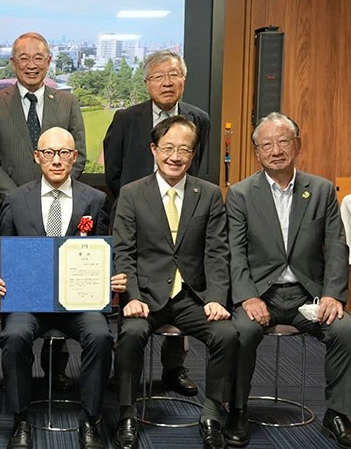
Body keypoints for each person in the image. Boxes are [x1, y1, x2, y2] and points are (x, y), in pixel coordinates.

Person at [0, 127, 126, 449]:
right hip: (28, 301)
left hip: (78, 302)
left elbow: (102, 251)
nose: (57, 160)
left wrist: (112, 275)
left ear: (75, 157)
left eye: (64, 153)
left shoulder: (95, 199)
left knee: (101, 336)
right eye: (48, 153)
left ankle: (91, 419)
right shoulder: (15, 199)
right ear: (37, 157)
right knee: (13, 336)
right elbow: (3, 251)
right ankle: (20, 418)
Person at [224, 112, 351, 448]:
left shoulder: (321, 190)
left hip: (308, 296)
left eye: (282, 141)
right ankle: (236, 409)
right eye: (266, 144)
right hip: (259, 294)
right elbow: (234, 252)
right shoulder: (240, 194)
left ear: (298, 144)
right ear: (257, 153)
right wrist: (248, 297)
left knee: (345, 330)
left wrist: (333, 295)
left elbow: (337, 246)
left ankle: (338, 412)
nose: (276, 150)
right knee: (241, 332)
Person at [112, 116, 237, 449]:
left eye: (184, 149)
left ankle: (211, 414)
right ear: (154, 149)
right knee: (131, 334)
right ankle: (126, 413)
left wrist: (216, 298)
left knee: (227, 334)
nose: (175, 156)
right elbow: (124, 252)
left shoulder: (208, 194)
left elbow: (217, 253)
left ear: (193, 154)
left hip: (192, 297)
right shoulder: (132, 194)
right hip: (147, 296)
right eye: (168, 148)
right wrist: (132, 297)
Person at [0, 31, 85, 388]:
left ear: (49, 61)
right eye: (23, 58)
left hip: (61, 208)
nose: (31, 64)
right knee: (25, 289)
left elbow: (79, 154)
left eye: (38, 57)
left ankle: (56, 368)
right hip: (15, 213)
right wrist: (22, 200)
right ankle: (20, 379)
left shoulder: (67, 101)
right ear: (13, 62)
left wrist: (56, 189)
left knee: (62, 282)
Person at [102, 49, 210, 396]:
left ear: (184, 79)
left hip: (182, 219)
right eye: (159, 76)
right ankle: (125, 372)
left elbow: (196, 166)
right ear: (147, 82)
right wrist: (140, 202)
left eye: (173, 75)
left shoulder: (199, 119)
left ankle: (174, 369)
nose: (167, 82)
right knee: (134, 291)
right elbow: (113, 172)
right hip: (137, 216)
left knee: (181, 285)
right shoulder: (126, 118)